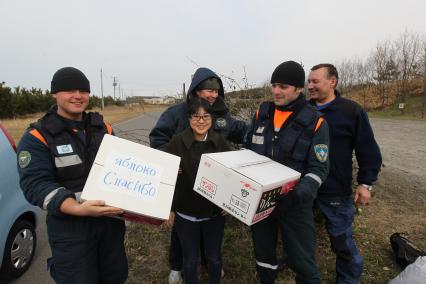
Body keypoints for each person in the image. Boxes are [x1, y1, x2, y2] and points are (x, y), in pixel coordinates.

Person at [17, 67, 128, 284]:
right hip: (71, 229)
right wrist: (76, 207)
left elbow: (123, 169)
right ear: (55, 94)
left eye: (83, 90)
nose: (77, 95)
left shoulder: (103, 127)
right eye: (69, 90)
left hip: (110, 224)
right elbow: (35, 185)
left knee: (115, 276)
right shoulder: (37, 136)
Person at [149, 67, 247, 283]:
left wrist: (261, 132)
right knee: (181, 235)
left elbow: (241, 132)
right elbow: (157, 139)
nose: (212, 95)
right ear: (195, 91)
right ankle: (177, 267)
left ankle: (211, 266)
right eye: (207, 90)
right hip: (184, 185)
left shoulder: (221, 116)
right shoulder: (175, 114)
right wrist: (171, 163)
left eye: (216, 91)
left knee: (211, 238)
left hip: (212, 192)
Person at [245, 61, 330, 284]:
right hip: (261, 201)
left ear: (298, 89)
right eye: (274, 85)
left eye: (282, 86)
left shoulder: (315, 122)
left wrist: (296, 196)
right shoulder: (261, 113)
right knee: (263, 256)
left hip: (295, 204)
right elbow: (247, 152)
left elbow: (319, 169)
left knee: (303, 262)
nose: (275, 91)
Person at [307, 63, 382, 284]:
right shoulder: (303, 110)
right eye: (308, 82)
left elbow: (367, 149)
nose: (310, 86)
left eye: (315, 81)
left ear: (332, 81)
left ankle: (349, 279)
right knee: (300, 236)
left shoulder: (351, 111)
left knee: (342, 243)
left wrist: (365, 183)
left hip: (335, 192)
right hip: (304, 189)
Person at [165, 97, 230, 284]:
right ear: (188, 118)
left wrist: (228, 203)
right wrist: (169, 208)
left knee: (214, 257)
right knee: (190, 259)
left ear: (211, 118)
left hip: (214, 214)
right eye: (196, 116)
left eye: (205, 116)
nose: (201, 121)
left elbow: (231, 176)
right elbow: (167, 179)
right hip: (186, 215)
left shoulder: (220, 143)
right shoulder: (176, 143)